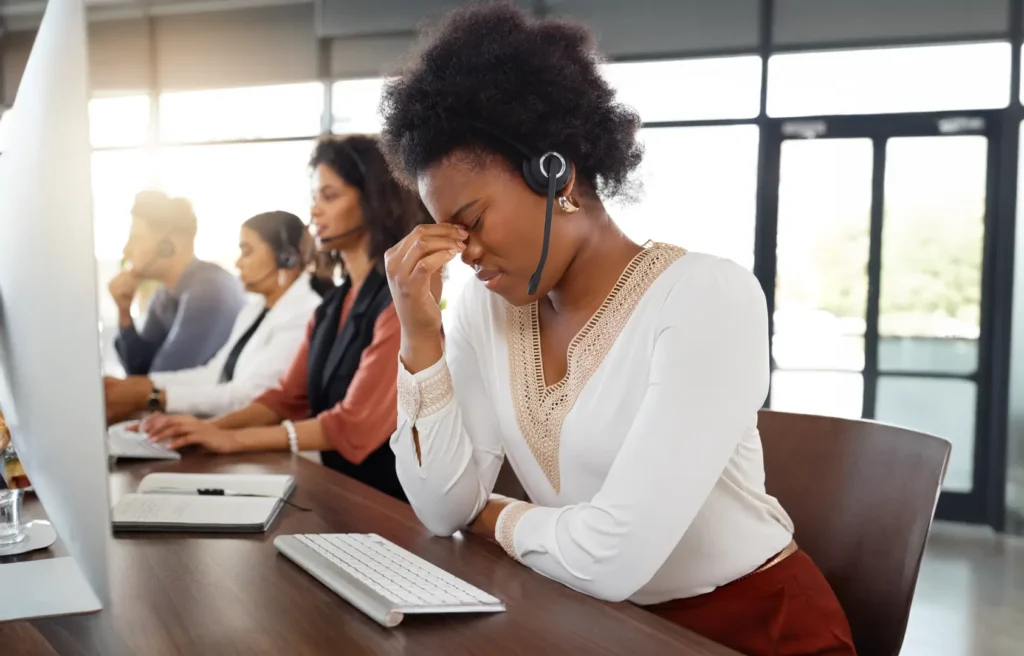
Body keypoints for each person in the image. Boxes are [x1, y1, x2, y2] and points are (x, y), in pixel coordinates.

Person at [377, 5, 857, 655]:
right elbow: (439, 508)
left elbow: (611, 558)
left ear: (557, 173)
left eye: (473, 218)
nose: (464, 252)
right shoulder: (485, 310)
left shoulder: (706, 297)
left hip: (752, 631)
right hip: (598, 625)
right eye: (448, 229)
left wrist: (484, 513)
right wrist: (418, 336)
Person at [142, 135, 431, 502]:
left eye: (329, 196)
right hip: (338, 493)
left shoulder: (399, 301)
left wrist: (230, 439)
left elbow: (352, 424)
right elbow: (285, 398)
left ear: (373, 199)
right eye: (314, 198)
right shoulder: (331, 307)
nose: (314, 212)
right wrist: (201, 430)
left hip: (389, 506)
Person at [104, 211, 327, 424]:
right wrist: (141, 385)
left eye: (247, 252)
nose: (238, 263)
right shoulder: (255, 309)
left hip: (270, 444)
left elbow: (248, 396)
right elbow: (214, 374)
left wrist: (151, 396)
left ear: (285, 259)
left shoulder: (304, 313)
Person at [111, 191, 245, 375]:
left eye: (136, 238)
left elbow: (162, 379)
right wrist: (124, 313)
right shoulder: (164, 295)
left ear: (167, 245)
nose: (126, 250)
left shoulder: (209, 290)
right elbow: (139, 370)